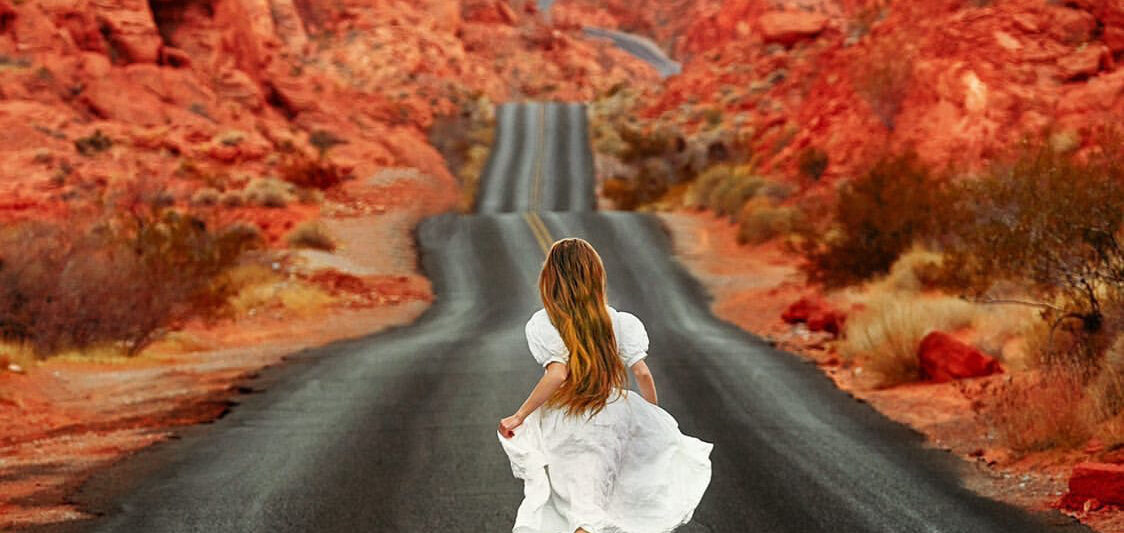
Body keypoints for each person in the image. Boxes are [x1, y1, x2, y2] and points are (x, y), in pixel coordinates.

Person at [497, 237, 713, 533]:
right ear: (596, 276)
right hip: (613, 417)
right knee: (599, 503)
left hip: (569, 418)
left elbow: (558, 375)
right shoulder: (619, 321)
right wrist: (650, 418)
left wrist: (519, 416)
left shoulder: (546, 322)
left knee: (578, 509)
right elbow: (643, 373)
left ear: (551, 277)